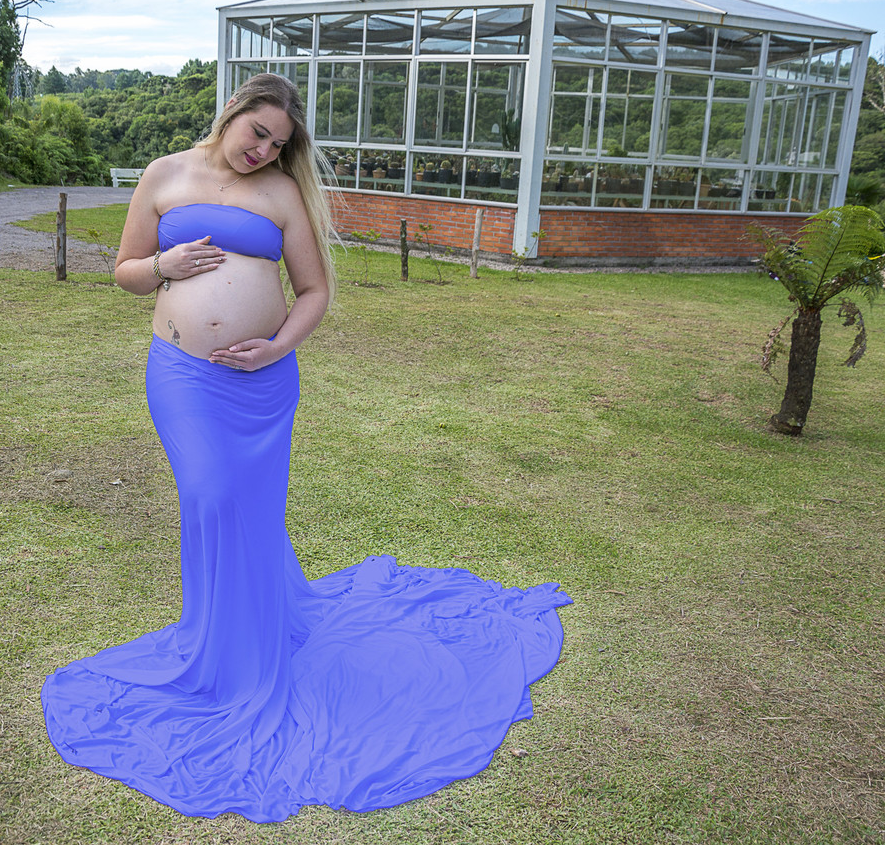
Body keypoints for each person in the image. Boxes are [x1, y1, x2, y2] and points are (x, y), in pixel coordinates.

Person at [41, 73, 571, 823]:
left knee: (250, 514)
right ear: (231, 115)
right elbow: (124, 270)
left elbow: (314, 291)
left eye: (279, 144)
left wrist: (277, 347)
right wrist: (163, 266)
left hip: (262, 387)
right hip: (184, 377)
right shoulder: (164, 175)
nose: (264, 150)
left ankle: (245, 647)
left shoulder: (286, 196)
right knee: (210, 497)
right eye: (257, 133)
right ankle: (221, 657)